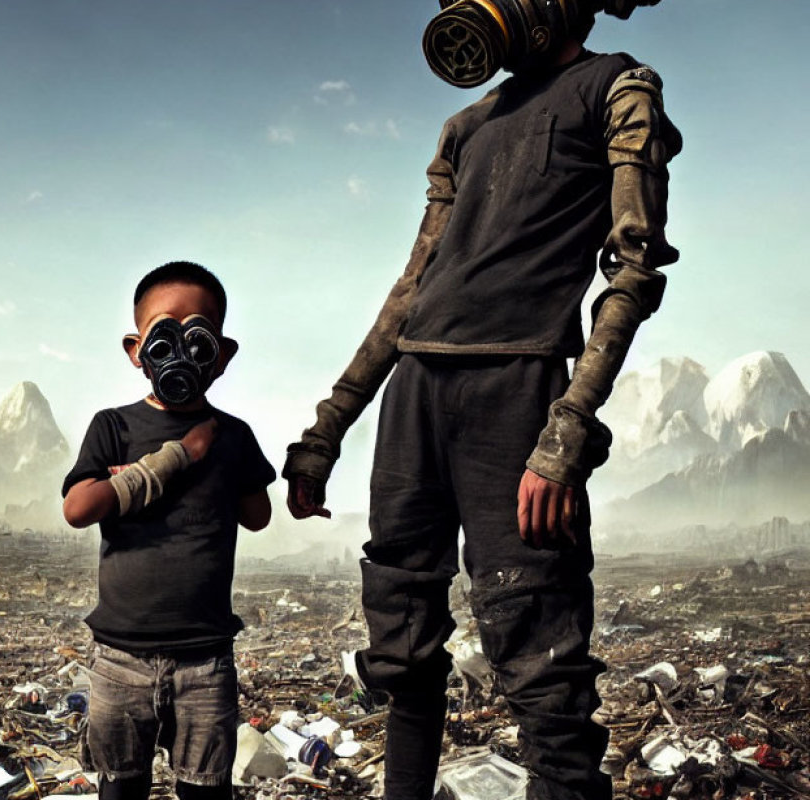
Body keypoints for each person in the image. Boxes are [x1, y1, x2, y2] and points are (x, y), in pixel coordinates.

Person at [283, 2, 681, 799]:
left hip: (519, 391)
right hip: (415, 398)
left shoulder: (616, 88)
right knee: (402, 641)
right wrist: (327, 429)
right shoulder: (465, 126)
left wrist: (564, 433)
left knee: (543, 664)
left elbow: (633, 269)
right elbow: (413, 290)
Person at [63, 261, 276, 800]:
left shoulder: (234, 435)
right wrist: (180, 457)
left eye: (198, 338)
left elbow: (258, 515)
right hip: (119, 656)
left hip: (205, 657)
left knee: (206, 790)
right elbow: (78, 507)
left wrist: (253, 467)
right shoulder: (114, 426)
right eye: (163, 336)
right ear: (136, 350)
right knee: (120, 788)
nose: (180, 351)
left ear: (221, 355)